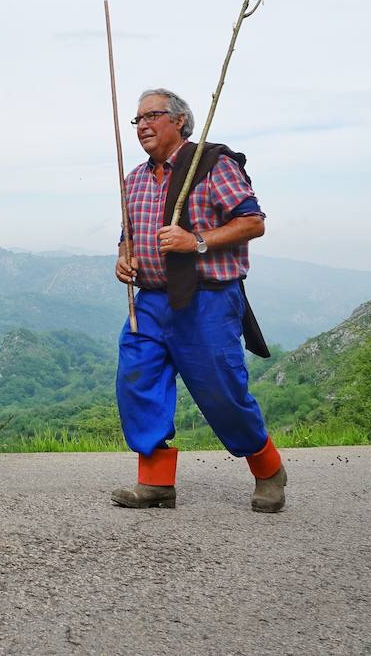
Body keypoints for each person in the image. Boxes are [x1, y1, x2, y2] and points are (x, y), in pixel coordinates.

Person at [112, 88, 287, 512]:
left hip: (206, 300)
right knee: (137, 382)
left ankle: (268, 469)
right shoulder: (134, 178)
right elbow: (127, 236)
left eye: (152, 116)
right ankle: (155, 482)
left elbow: (252, 222)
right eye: (137, 120)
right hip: (151, 301)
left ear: (180, 121)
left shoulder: (212, 165)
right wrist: (123, 259)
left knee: (222, 392)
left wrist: (198, 241)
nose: (142, 126)